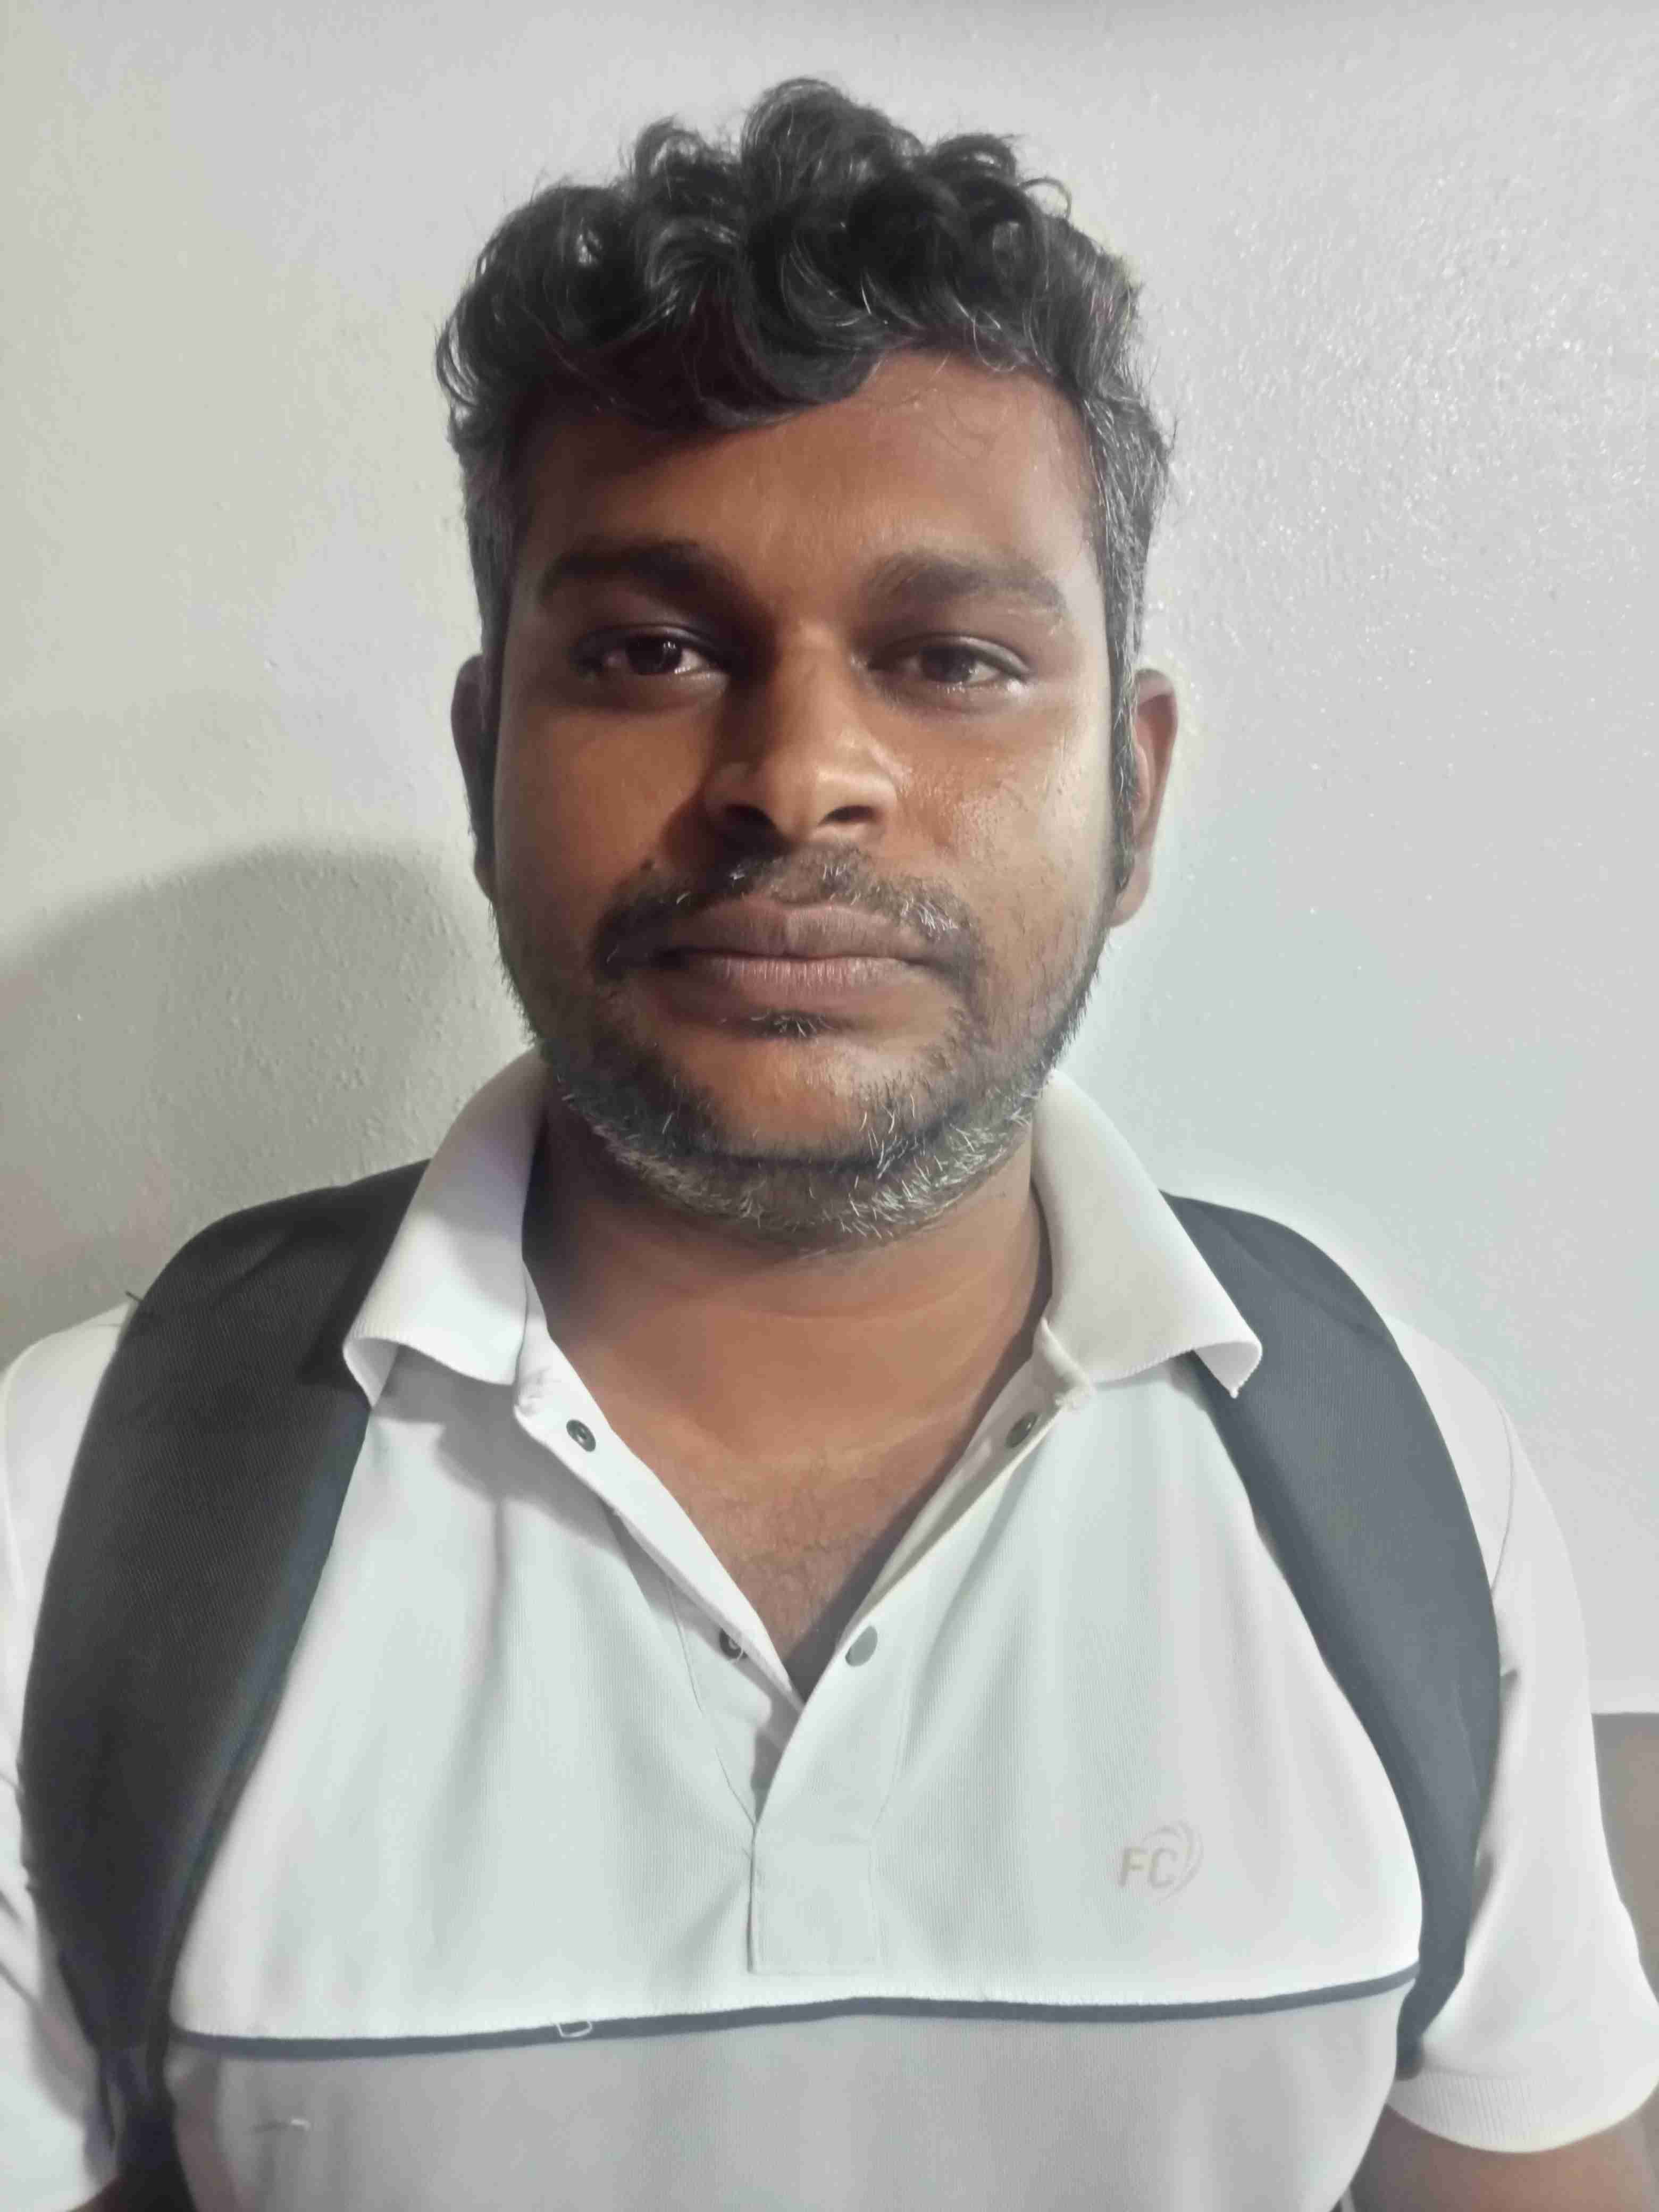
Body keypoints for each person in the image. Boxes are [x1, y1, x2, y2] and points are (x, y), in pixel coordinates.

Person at [6, 74, 1658, 2212]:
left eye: (951, 658)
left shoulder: (1401, 1482)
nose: (799, 777)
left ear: (1136, 792)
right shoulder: (66, 1509)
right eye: (652, 650)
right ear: (486, 761)